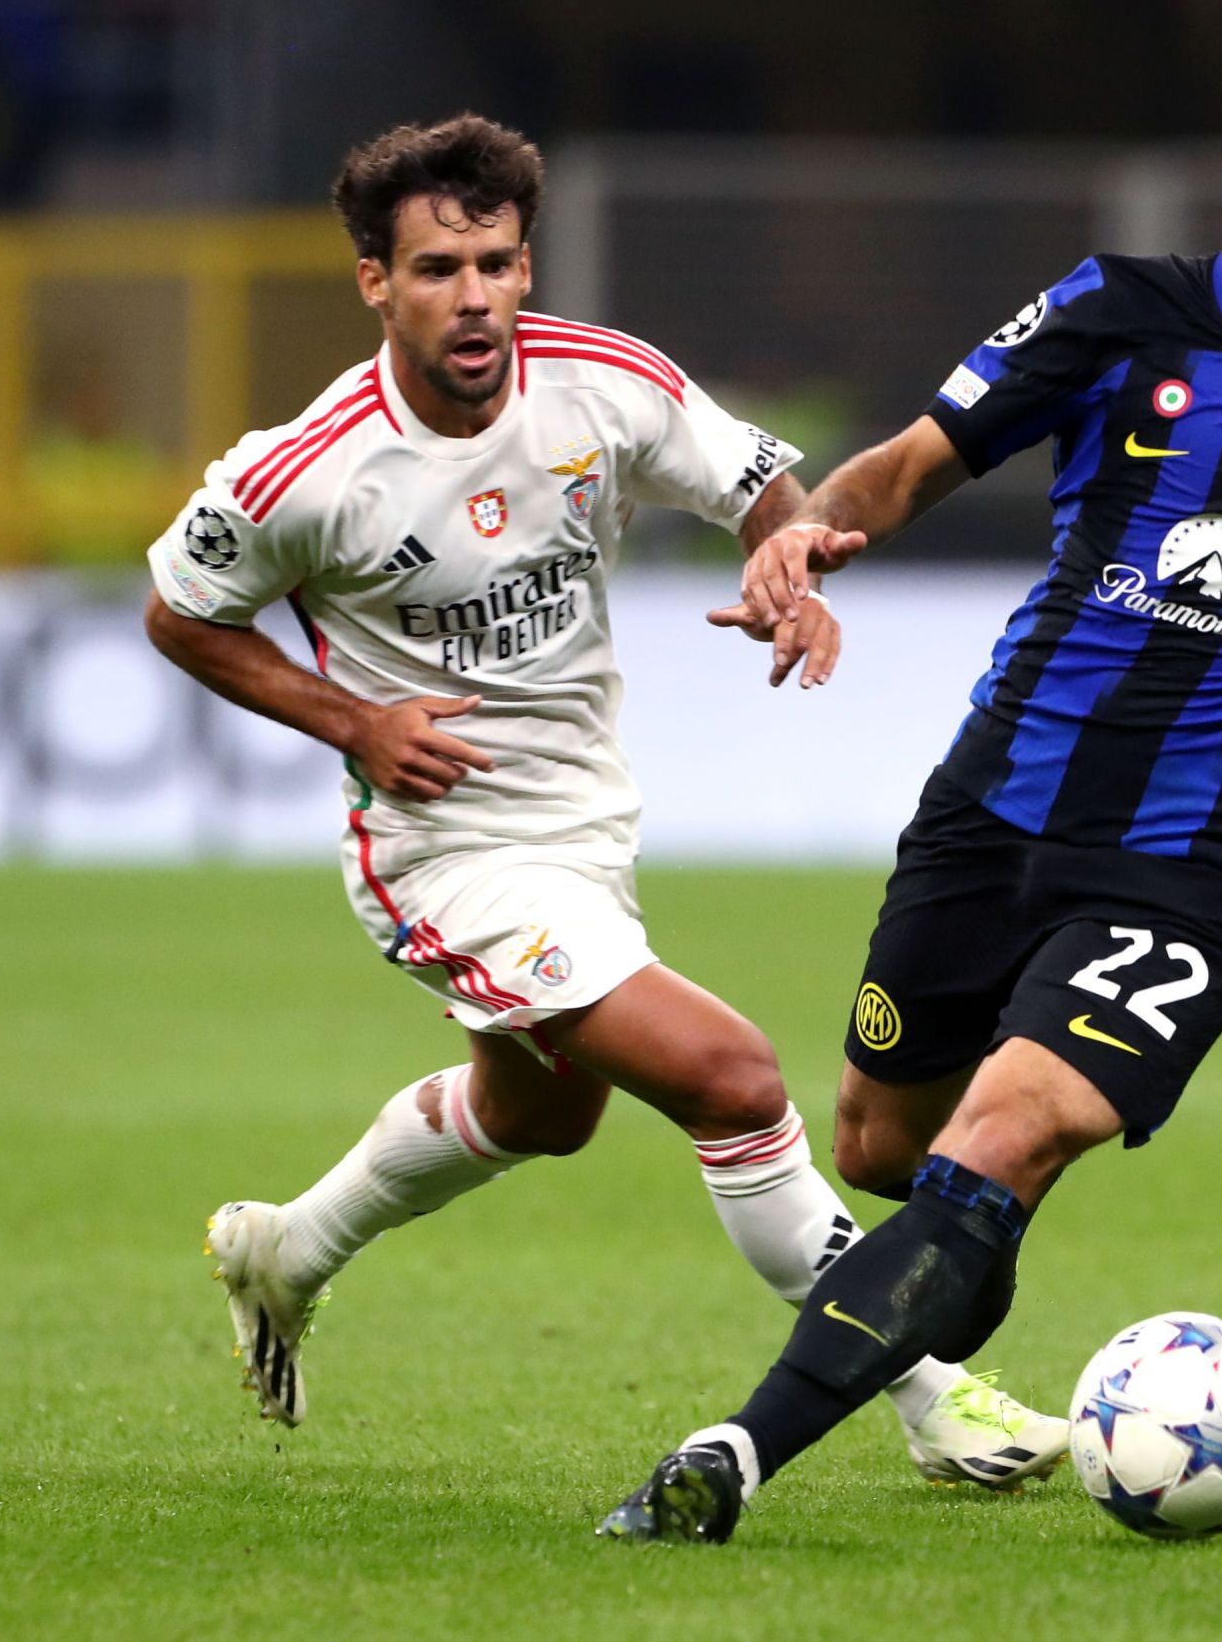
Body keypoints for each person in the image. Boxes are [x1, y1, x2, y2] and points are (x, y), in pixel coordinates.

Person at [599, 47, 1222, 1544]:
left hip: (1201, 860)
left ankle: (732, 1457)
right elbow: (915, 463)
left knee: (1003, 1140)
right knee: (881, 1148)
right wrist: (800, 537)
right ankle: (943, 1270)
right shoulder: (1115, 315)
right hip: (998, 804)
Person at [141, 113, 1059, 1484]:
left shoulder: (603, 385)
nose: (475, 297)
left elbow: (761, 484)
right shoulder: (308, 468)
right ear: (375, 284)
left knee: (542, 1111)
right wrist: (356, 721)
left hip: (583, 825)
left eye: (498, 263)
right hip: (440, 848)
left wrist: (784, 567)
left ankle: (288, 1247)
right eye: (439, 268)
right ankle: (929, 1389)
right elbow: (180, 611)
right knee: (733, 1077)